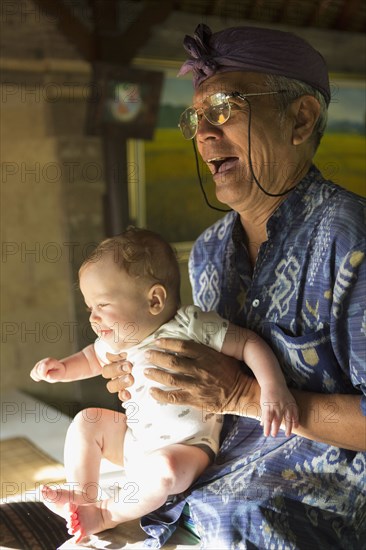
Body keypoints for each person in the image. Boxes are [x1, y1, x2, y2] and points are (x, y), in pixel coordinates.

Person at [101, 24, 366, 548]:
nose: (203, 134)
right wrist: (150, 372)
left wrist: (245, 394)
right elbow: (204, 375)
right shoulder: (206, 251)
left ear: (300, 119)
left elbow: (236, 392)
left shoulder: (350, 239)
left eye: (223, 109)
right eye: (197, 118)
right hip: (208, 482)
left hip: (312, 507)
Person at [30, 227, 298, 543]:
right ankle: (82, 498)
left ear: (154, 300)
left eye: (102, 306)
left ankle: (106, 514)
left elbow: (248, 343)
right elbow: (91, 358)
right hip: (135, 442)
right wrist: (62, 369)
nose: (93, 319)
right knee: (86, 422)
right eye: (90, 309)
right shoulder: (119, 339)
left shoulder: (190, 325)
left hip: (188, 448)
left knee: (166, 469)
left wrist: (273, 387)